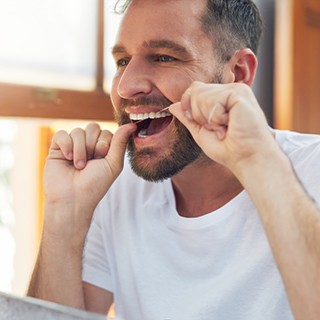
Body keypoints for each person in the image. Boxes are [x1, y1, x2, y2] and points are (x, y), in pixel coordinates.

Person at [27, 0, 320, 319]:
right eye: (123, 61)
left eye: (163, 57)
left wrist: (258, 162)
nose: (126, 87)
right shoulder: (113, 188)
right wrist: (64, 214)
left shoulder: (313, 167)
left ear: (237, 73)